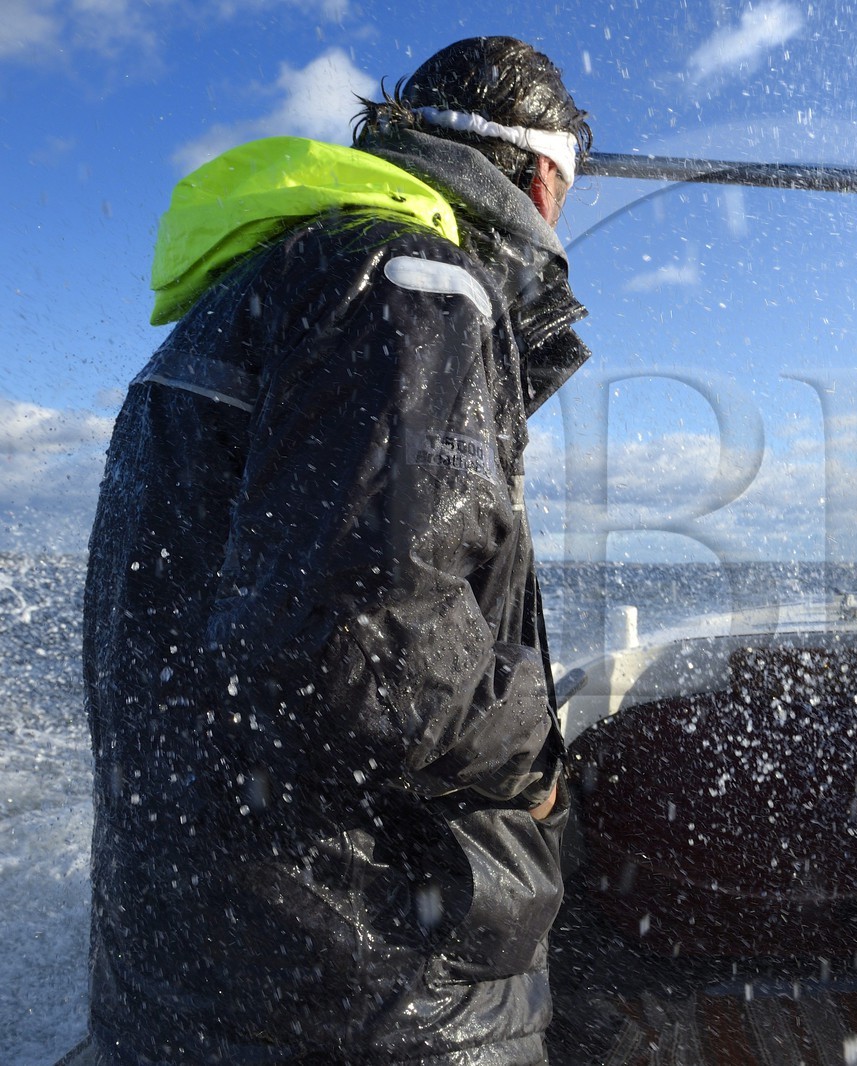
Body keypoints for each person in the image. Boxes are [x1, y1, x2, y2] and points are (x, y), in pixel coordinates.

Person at [83, 38, 591, 1063]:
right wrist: (535, 765)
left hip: (188, 958)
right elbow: (369, 650)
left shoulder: (257, 287)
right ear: (540, 178)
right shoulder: (411, 286)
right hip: (363, 989)